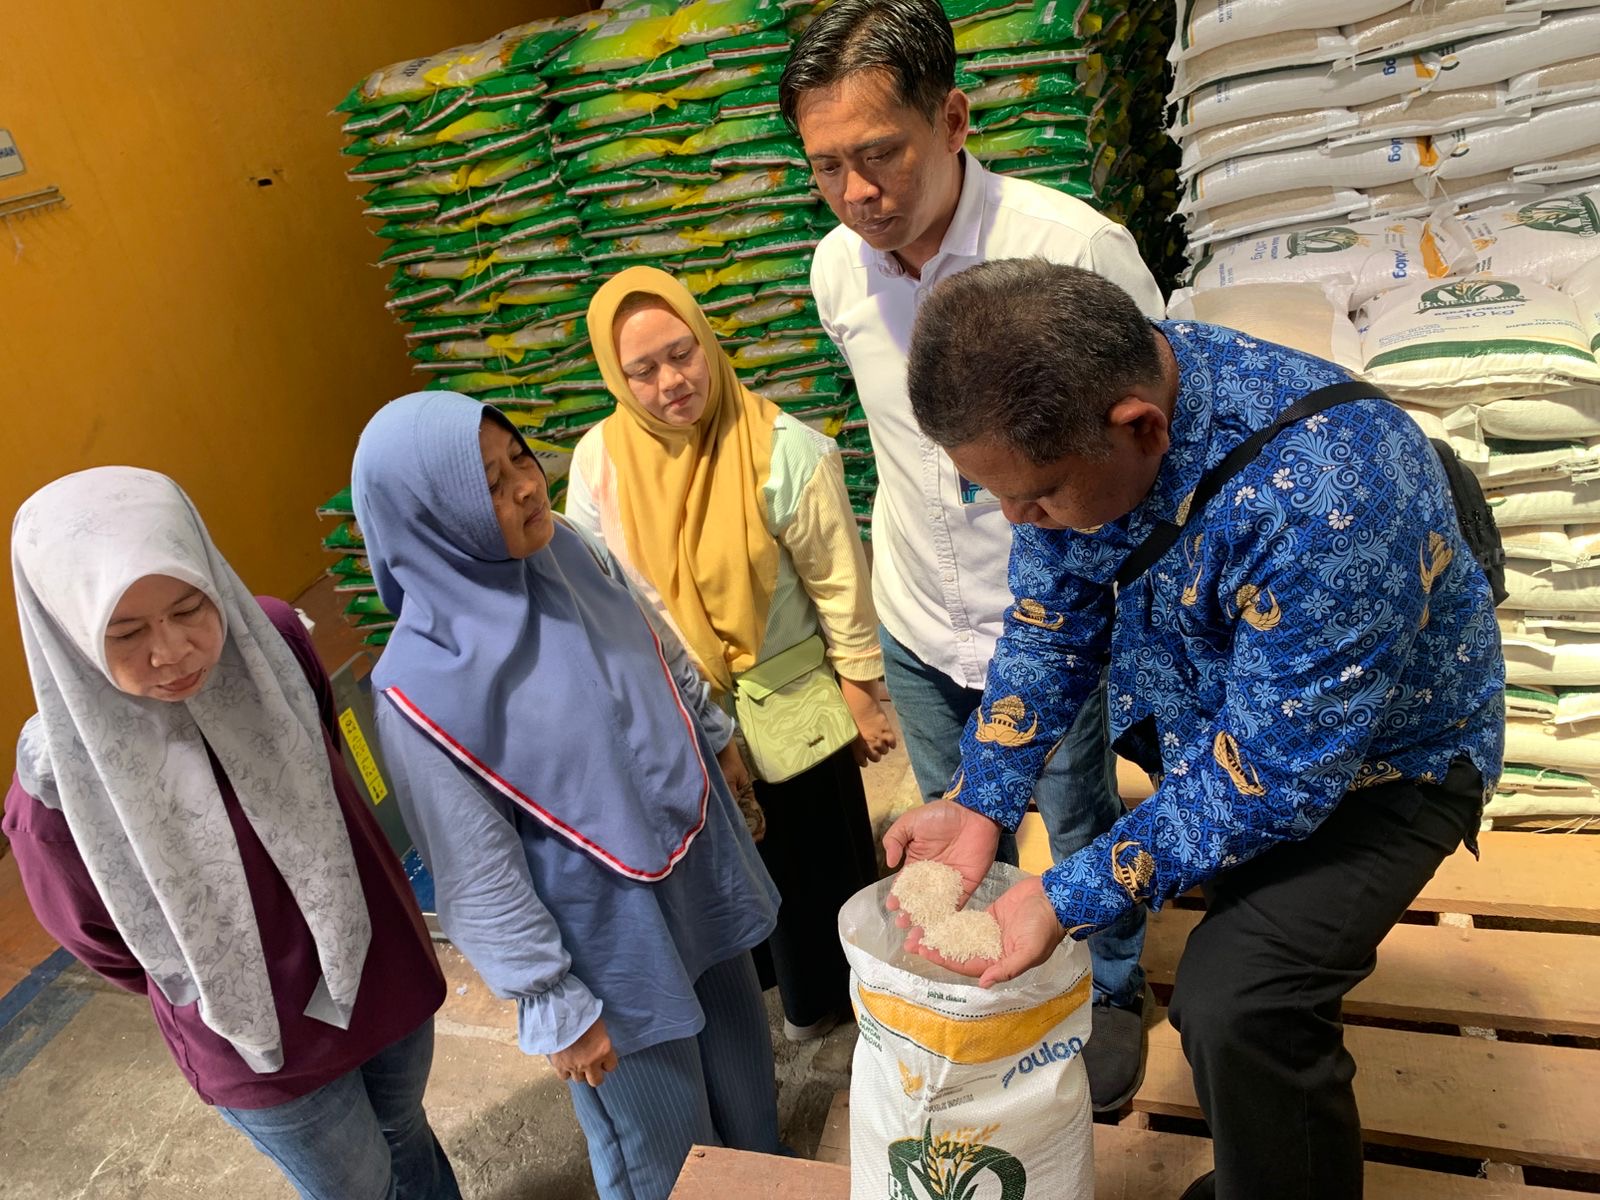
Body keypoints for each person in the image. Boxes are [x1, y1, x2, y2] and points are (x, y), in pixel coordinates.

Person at [885, 260, 1506, 1200]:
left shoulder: (1333, 492)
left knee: (1236, 1000)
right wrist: (981, 801)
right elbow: (1052, 627)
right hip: (1229, 733)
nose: (1018, 520)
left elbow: (1273, 776)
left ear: (1141, 427)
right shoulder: (1082, 423)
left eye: (1038, 497)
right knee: (1240, 969)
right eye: (994, 496)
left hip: (1387, 762)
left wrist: (1064, 896)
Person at [780, 0, 1164, 1106]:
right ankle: (980, 987)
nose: (857, 192)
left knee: (1078, 815)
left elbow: (1144, 448)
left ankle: (1110, 990)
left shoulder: (1071, 250)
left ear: (952, 120)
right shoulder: (837, 272)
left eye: (880, 154)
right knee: (957, 827)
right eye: (827, 167)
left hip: (1049, 622)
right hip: (917, 612)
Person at [352, 391, 784, 1200]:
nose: (526, 486)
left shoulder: (567, 552)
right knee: (664, 1143)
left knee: (743, 1074)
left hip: (692, 864)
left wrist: (714, 736)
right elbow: (476, 871)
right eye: (489, 484)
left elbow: (651, 643)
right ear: (429, 518)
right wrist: (553, 1001)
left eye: (519, 457)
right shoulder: (420, 688)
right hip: (603, 937)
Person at [4, 467, 458, 1200]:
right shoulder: (61, 792)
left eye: (190, 606)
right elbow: (105, 942)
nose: (173, 651)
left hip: (374, 959)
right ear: (64, 629)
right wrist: (220, 969)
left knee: (405, 1129)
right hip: (257, 1036)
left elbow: (321, 747)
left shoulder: (270, 643)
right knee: (356, 1185)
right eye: (125, 632)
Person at [565, 265, 894, 1042]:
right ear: (615, 376)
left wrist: (860, 691)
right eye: (643, 370)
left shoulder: (781, 450)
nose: (671, 382)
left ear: (707, 342)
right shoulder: (600, 463)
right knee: (728, 860)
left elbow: (839, 581)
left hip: (793, 704)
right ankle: (765, 990)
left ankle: (830, 1002)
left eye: (683, 354)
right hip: (681, 712)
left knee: (815, 864)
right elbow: (600, 593)